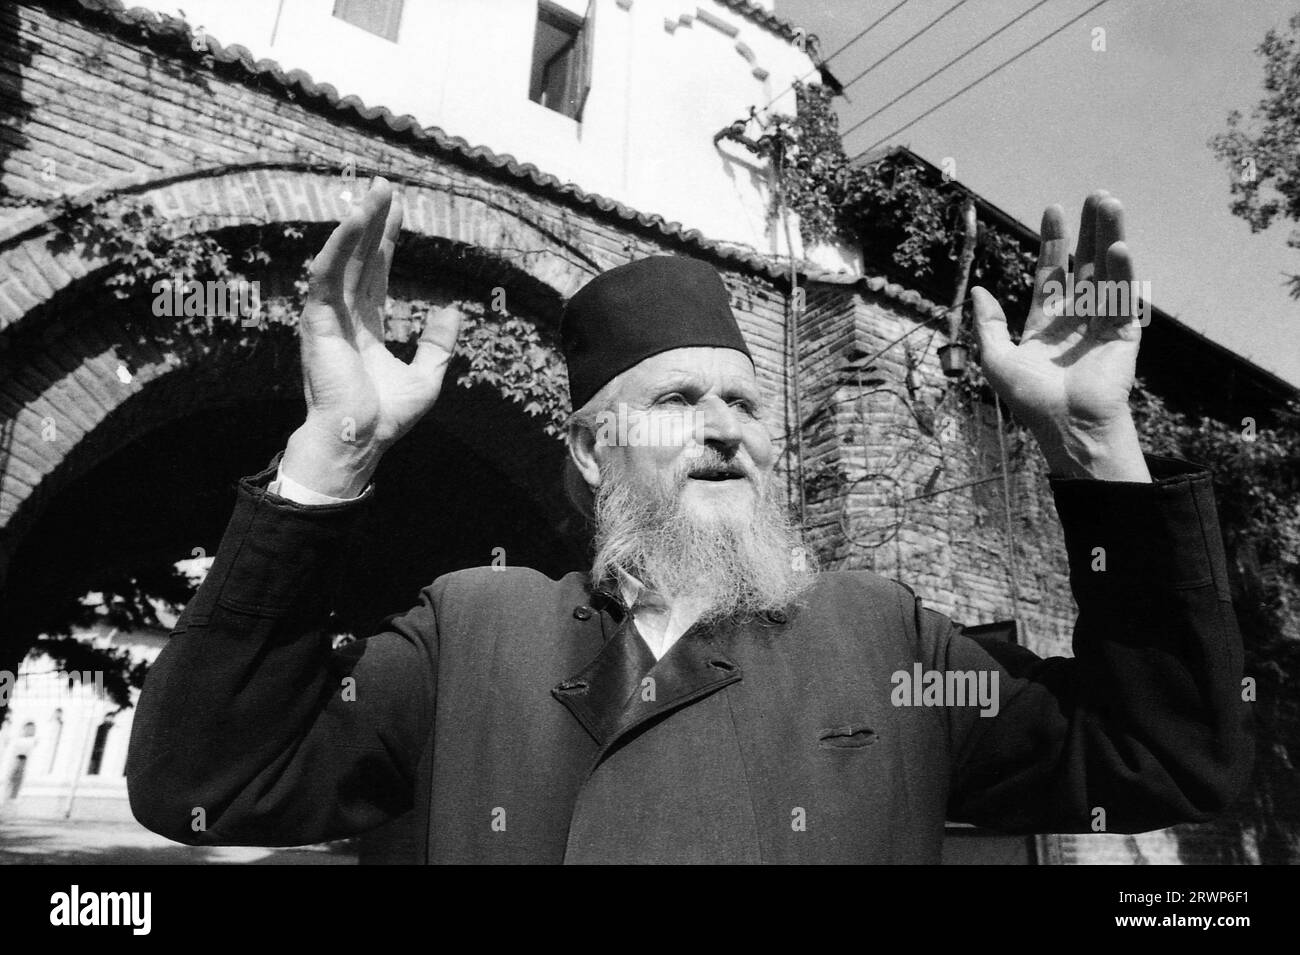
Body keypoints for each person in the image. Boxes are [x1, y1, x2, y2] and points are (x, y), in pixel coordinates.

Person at [126, 179, 1251, 864]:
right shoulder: (474, 630)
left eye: (746, 403)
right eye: (675, 402)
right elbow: (207, 781)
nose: (726, 429)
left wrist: (1094, 445)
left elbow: (1161, 758)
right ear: (587, 447)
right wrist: (338, 451)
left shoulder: (880, 634)